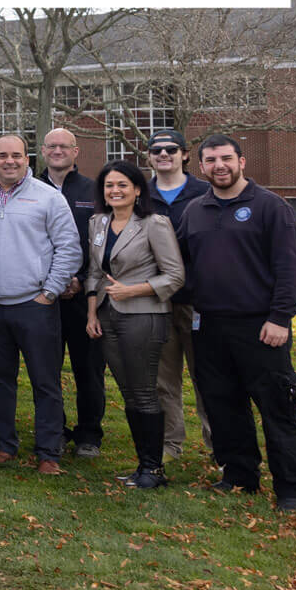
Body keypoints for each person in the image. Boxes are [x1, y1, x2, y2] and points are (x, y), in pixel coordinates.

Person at [175, 135, 296, 512]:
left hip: (261, 326)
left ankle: (292, 489)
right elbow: (181, 264)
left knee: (276, 408)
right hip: (210, 327)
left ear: (242, 162)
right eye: (211, 160)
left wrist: (280, 318)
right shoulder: (196, 211)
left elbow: (290, 268)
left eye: (226, 158)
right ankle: (239, 476)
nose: (219, 165)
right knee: (223, 405)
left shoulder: (271, 208)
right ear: (200, 166)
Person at [0, 134, 81, 475]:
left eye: (16, 155)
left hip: (35, 306)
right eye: (3, 155)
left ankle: (48, 452)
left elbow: (69, 248)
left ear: (28, 159)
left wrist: (49, 292)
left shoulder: (48, 198)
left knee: (45, 381)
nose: (10, 161)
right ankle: (4, 445)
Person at [83, 160, 185, 489]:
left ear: (138, 190)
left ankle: (153, 470)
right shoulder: (97, 222)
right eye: (109, 185)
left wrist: (134, 289)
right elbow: (95, 273)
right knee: (128, 393)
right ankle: (142, 464)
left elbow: (175, 276)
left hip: (145, 316)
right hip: (108, 316)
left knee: (144, 393)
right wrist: (92, 313)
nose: (115, 191)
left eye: (122, 185)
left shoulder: (154, 224)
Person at [37, 127, 107, 458]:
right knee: (46, 369)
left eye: (65, 146)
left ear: (76, 152)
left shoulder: (94, 191)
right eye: (52, 146)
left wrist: (79, 279)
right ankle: (56, 429)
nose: (58, 151)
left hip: (84, 296)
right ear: (42, 150)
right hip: (42, 296)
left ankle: (89, 434)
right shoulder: (29, 188)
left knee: (88, 369)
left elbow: (103, 243)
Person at [143, 127, 213, 459]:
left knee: (208, 377)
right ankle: (172, 444)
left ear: (185, 154)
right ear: (149, 157)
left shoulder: (206, 191)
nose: (164, 155)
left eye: (171, 149)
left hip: (200, 301)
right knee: (163, 380)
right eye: (157, 150)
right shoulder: (140, 194)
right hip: (156, 301)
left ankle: (217, 444)